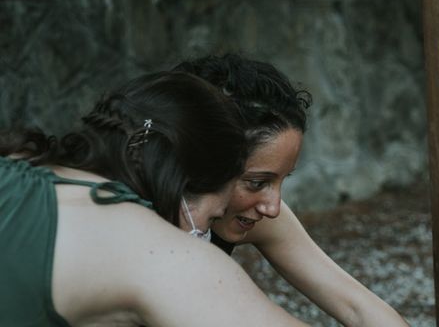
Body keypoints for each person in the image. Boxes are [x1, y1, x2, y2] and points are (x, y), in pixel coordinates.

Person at [0, 71, 309, 326]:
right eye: (213, 217)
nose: (206, 235)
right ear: (183, 187)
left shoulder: (17, 166)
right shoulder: (154, 253)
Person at [175, 54, 410, 327]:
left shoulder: (244, 211)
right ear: (202, 164)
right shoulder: (141, 227)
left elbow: (355, 305)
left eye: (282, 180)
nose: (273, 208)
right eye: (257, 183)